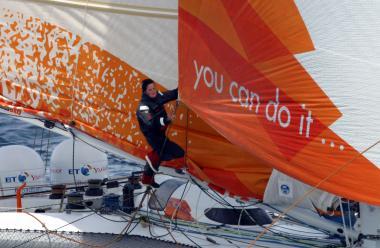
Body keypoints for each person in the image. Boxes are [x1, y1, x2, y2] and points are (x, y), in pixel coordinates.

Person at [136, 78, 184, 188]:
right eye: (150, 90)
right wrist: (165, 120)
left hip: (161, 134)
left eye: (154, 88)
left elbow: (172, 94)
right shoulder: (143, 106)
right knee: (162, 153)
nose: (153, 91)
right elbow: (151, 122)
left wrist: (182, 86)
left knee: (179, 153)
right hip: (153, 136)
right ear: (144, 92)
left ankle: (154, 159)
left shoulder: (157, 96)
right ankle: (148, 174)